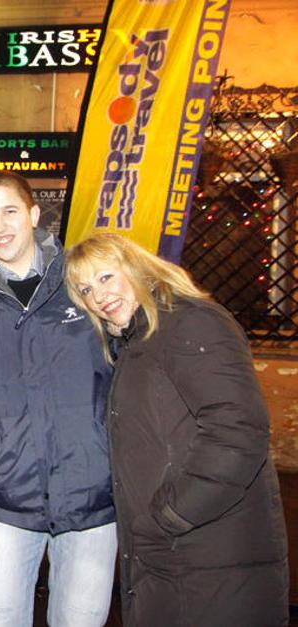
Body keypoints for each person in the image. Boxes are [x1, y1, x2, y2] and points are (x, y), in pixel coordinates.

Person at [65, 232, 289, 627]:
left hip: (210, 553)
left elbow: (237, 430)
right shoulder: (139, 340)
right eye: (85, 289)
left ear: (137, 267)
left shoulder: (191, 321)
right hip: (174, 555)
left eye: (105, 276)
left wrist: (171, 515)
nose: (98, 295)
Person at [0, 171, 117, 627]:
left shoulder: (83, 285)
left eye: (10, 211)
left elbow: (127, 364)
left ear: (33, 214)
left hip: (90, 495)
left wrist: (109, 450)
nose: (0, 226)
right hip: (8, 497)